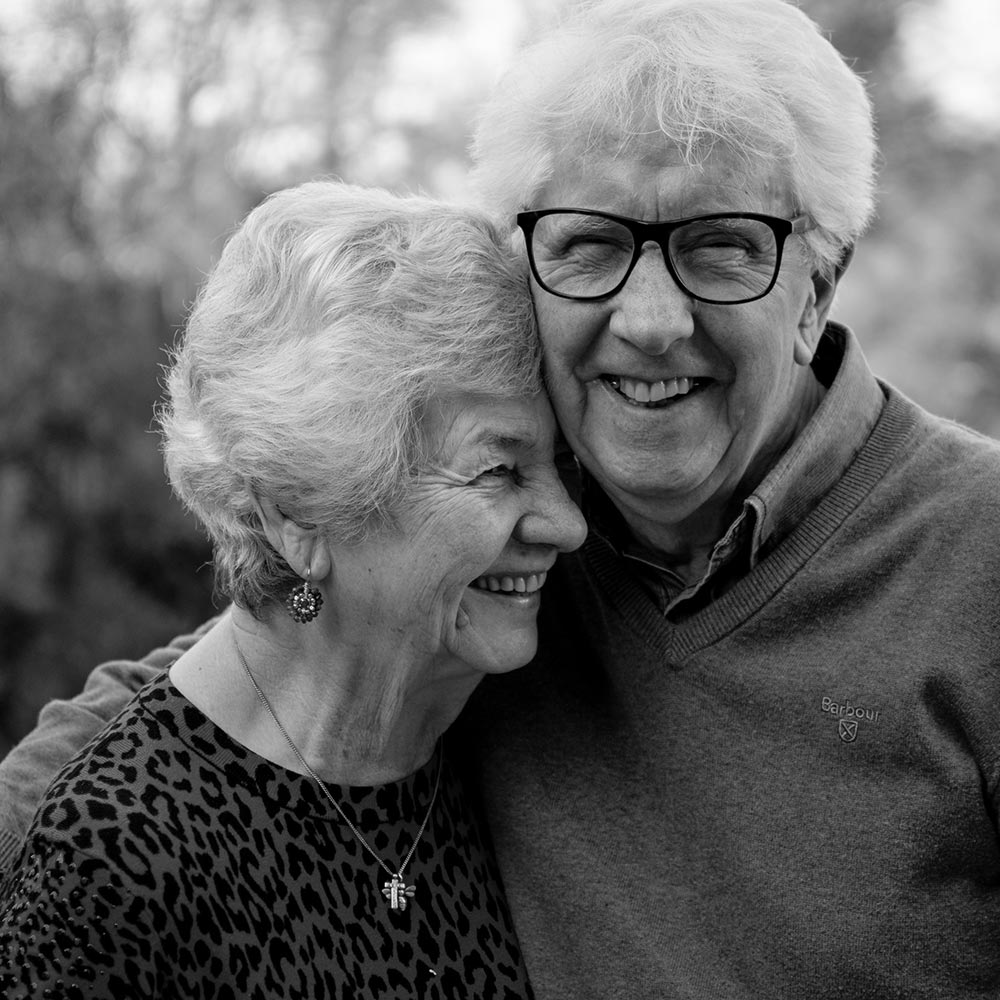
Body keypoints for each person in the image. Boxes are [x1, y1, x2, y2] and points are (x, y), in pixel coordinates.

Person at [3, 0, 1000, 996]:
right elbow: (278, 652)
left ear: (818, 281)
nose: (650, 322)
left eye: (721, 244)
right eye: (589, 245)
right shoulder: (520, 532)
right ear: (529, 264)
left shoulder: (977, 563)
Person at [0, 180, 587, 997]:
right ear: (299, 517)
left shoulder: (485, 737)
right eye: (499, 471)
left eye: (558, 467)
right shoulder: (117, 862)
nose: (567, 523)